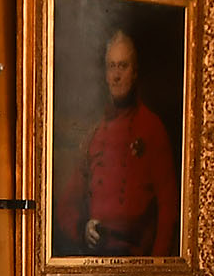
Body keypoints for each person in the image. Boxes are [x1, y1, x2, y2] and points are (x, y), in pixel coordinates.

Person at [55, 30, 179, 258]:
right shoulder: (95, 134)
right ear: (105, 74)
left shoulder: (152, 128)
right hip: (95, 258)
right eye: (111, 67)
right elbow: (66, 206)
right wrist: (82, 229)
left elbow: (168, 208)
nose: (116, 75)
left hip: (138, 260)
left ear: (135, 72)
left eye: (123, 66)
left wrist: (157, 266)